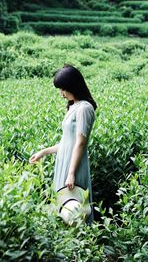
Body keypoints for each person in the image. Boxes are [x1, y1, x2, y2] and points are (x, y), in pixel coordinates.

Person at [29, 65, 97, 224]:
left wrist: (71, 173)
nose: (61, 93)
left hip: (73, 165)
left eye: (63, 89)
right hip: (64, 162)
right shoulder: (73, 107)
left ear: (73, 86)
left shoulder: (84, 108)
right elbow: (67, 143)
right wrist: (43, 152)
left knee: (75, 209)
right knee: (63, 207)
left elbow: (80, 143)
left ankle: (81, 245)